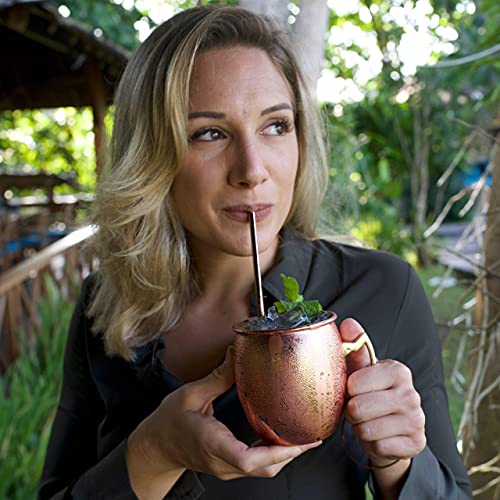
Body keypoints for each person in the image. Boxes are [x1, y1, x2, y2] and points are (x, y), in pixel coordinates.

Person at [38, 6, 472, 499]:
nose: (252, 170)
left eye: (276, 126)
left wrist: (398, 464)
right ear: (152, 155)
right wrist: (156, 452)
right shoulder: (107, 306)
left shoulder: (383, 290)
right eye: (209, 133)